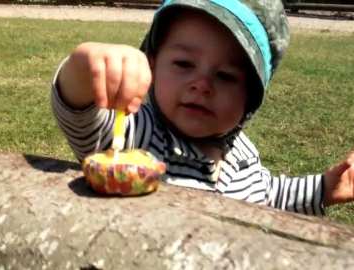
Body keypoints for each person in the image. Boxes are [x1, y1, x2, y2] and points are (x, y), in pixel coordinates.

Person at [51, 0, 354, 216]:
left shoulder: (244, 156)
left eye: (225, 76)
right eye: (183, 64)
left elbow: (270, 195)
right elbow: (78, 114)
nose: (202, 84)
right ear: (153, 64)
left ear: (250, 99)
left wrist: (324, 189)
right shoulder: (137, 139)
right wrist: (84, 67)